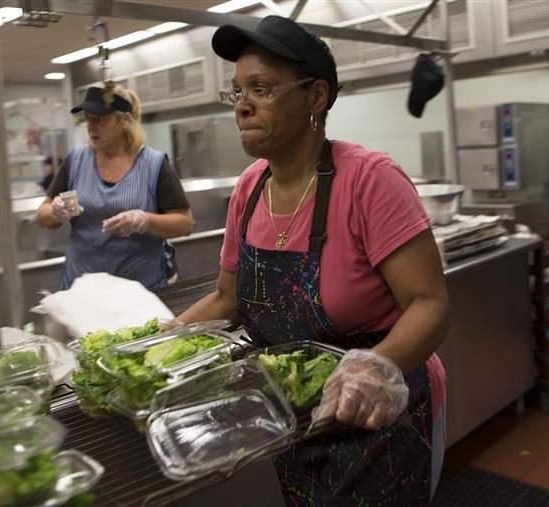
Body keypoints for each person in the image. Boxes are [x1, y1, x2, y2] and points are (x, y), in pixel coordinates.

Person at [177, 15, 450, 506]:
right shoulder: (249, 188)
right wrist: (164, 344)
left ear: (316, 97)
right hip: (296, 414)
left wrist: (374, 367)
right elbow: (227, 298)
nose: (242, 106)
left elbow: (430, 305)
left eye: (260, 88)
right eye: (236, 92)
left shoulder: (370, 180)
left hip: (379, 411)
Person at [35, 84, 194, 289]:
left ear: (125, 120)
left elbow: (185, 224)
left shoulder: (153, 165)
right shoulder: (76, 161)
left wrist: (144, 220)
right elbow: (42, 214)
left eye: (100, 119)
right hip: (82, 291)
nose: (91, 126)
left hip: (141, 291)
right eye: (88, 118)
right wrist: (55, 212)